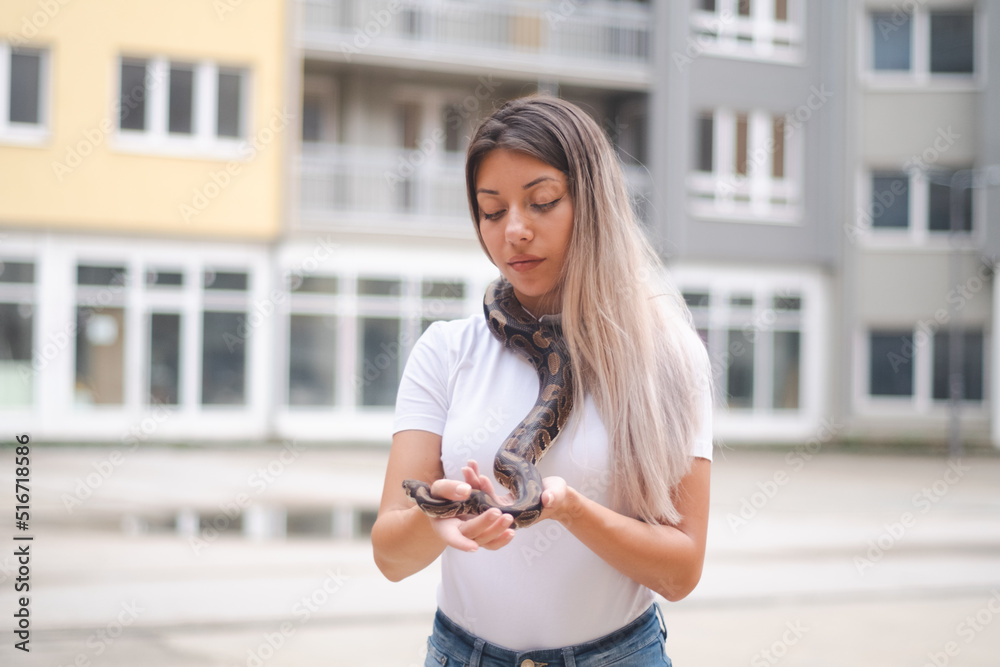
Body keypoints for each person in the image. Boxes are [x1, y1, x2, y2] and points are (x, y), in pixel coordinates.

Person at [371, 95, 713, 666]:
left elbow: (680, 573)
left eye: (543, 202)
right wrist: (440, 515)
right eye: (492, 210)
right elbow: (389, 556)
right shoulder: (445, 351)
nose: (515, 231)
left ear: (592, 204)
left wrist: (570, 509)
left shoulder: (667, 354)